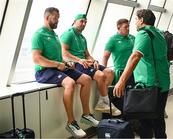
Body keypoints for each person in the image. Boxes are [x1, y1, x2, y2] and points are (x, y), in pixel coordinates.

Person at [31, 7, 99, 138]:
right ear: (47, 17)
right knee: (70, 83)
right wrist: (57, 64)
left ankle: (86, 115)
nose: (57, 21)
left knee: (86, 79)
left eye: (58, 18)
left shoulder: (54, 35)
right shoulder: (39, 34)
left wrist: (66, 63)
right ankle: (71, 122)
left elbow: (58, 56)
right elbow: (36, 58)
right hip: (44, 71)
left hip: (57, 67)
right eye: (55, 18)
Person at [113, 9, 170, 138]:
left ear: (142, 20)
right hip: (163, 82)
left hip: (150, 84)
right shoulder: (159, 34)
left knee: (145, 121)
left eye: (135, 20)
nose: (135, 23)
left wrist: (121, 81)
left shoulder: (143, 34)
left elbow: (135, 56)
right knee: (158, 118)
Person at [60, 14, 121, 116]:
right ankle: (105, 101)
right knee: (101, 75)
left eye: (85, 22)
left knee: (110, 72)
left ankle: (102, 100)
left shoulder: (82, 38)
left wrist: (94, 61)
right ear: (75, 21)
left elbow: (87, 55)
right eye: (81, 21)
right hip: (76, 64)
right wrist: (79, 60)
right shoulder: (68, 34)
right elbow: (63, 52)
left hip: (85, 61)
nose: (84, 24)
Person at [102, 18, 135, 112]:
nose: (128, 28)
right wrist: (104, 71)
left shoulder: (132, 38)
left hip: (133, 72)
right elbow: (105, 57)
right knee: (120, 98)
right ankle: (120, 122)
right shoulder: (113, 40)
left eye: (128, 26)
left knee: (132, 97)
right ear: (118, 27)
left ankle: (131, 121)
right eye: (126, 27)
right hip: (120, 72)